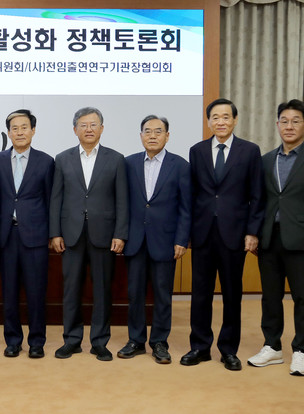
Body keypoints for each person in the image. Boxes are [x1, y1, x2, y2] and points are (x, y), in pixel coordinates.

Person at [247, 99, 304, 376]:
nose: (289, 126)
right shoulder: (265, 160)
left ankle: (301, 352)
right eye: (284, 121)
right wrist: (254, 232)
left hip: (302, 240)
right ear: (277, 125)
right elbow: (258, 201)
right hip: (269, 239)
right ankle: (272, 346)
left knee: (303, 299)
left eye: (295, 121)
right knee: (270, 297)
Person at [181, 98, 264, 371]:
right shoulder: (197, 151)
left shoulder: (249, 151)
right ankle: (200, 346)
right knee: (200, 293)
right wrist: (188, 232)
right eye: (215, 117)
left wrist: (252, 232)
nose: (221, 122)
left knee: (232, 294)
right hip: (203, 233)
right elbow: (192, 194)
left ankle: (228, 350)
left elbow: (257, 195)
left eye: (226, 117)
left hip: (234, 234)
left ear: (235, 120)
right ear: (208, 122)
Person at [49, 107, 128, 362]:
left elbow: (122, 200)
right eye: (83, 125)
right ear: (75, 130)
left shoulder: (116, 159)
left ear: (102, 128)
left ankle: (99, 342)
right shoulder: (62, 158)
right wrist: (55, 233)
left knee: (102, 290)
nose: (89, 129)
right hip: (70, 234)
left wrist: (120, 233)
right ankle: (71, 340)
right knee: (71, 289)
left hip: (104, 234)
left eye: (94, 124)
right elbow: (56, 198)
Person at [118, 115, 190, 364]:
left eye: (158, 131)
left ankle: (159, 342)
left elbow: (186, 207)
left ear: (167, 136)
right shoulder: (128, 163)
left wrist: (182, 239)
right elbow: (122, 203)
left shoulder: (180, 165)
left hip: (165, 241)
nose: (152, 135)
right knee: (135, 294)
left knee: (162, 295)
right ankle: (136, 340)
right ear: (141, 136)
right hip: (135, 240)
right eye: (147, 131)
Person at [0, 109, 54, 359]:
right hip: (7, 236)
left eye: (24, 127)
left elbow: (51, 201)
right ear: (8, 133)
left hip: (35, 236)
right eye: (14, 128)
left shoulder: (46, 161)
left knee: (36, 292)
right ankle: (13, 340)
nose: (19, 132)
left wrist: (53, 234)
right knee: (9, 291)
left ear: (33, 130)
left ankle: (37, 341)